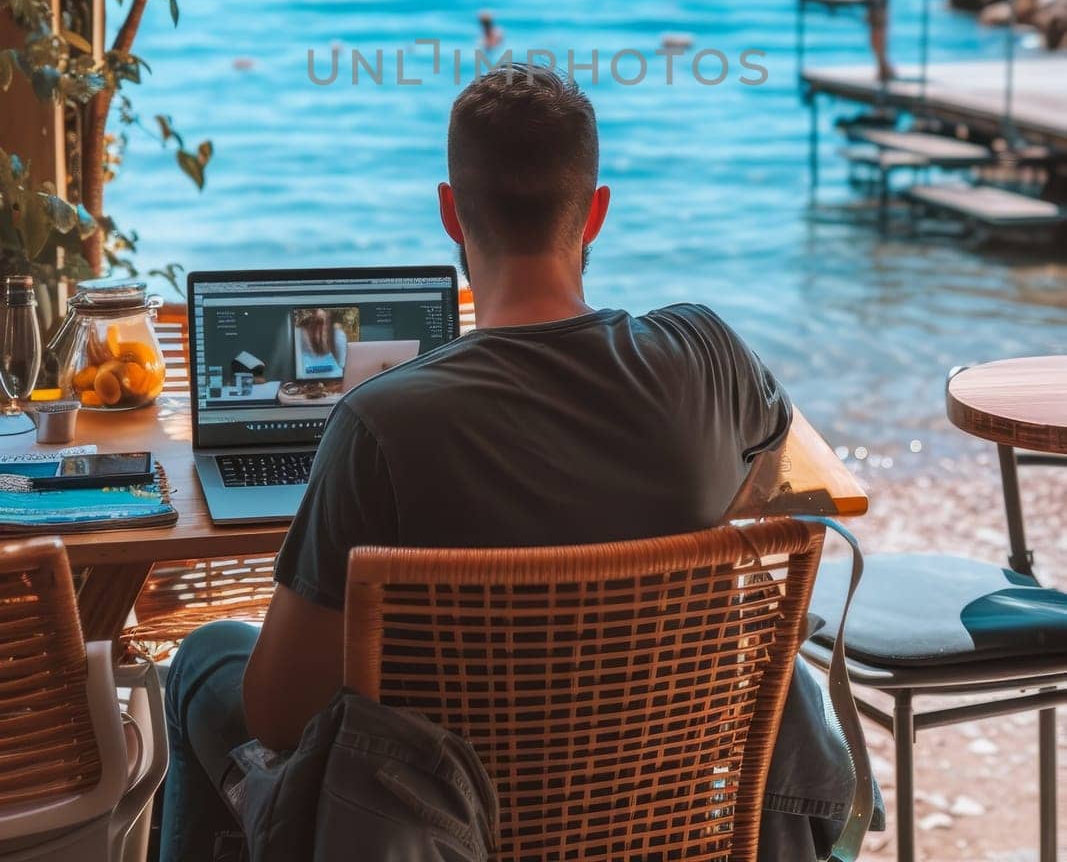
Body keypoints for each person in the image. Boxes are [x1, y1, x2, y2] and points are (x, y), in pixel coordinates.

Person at [162, 67, 869, 862]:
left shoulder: (379, 422)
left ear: (449, 214)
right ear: (595, 212)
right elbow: (775, 469)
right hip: (656, 809)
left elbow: (280, 715)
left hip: (435, 828)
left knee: (203, 658)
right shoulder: (707, 356)